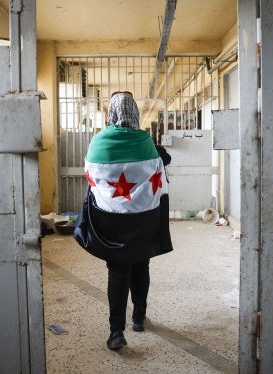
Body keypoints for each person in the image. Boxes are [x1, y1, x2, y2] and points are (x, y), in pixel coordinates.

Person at [73, 91, 173, 350]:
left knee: (117, 269)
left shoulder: (98, 141)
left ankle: (116, 332)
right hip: (144, 218)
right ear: (135, 114)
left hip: (110, 219)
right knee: (141, 265)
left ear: (112, 113)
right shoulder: (145, 141)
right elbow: (160, 170)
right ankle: (138, 318)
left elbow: (91, 175)